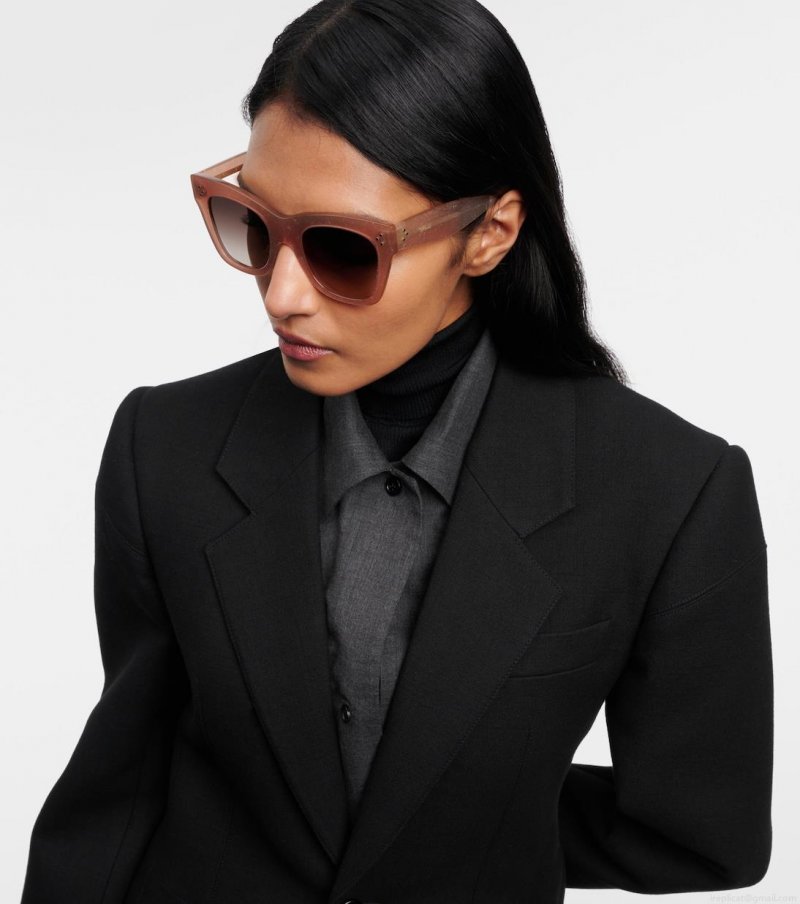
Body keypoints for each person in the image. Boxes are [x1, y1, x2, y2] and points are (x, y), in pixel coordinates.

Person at [20, 0, 773, 901]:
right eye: (253, 224)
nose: (282, 294)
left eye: (341, 248)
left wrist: (480, 830)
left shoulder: (673, 492)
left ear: (490, 233)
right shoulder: (165, 446)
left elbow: (704, 835)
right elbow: (116, 794)